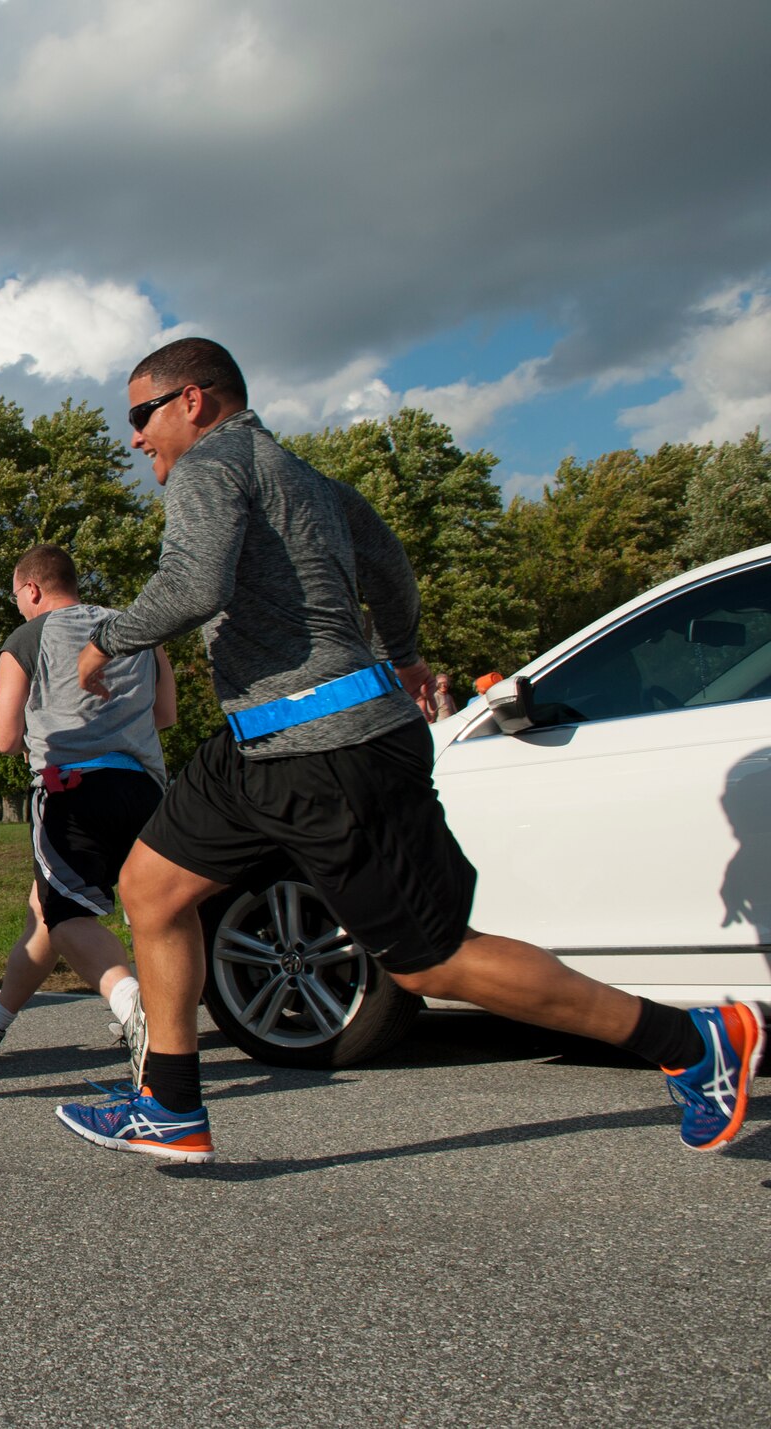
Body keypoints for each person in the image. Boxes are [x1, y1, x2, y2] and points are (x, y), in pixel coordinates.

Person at [57, 337, 761, 1162]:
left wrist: (106, 639)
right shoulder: (308, 480)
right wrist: (405, 649)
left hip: (329, 751)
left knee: (431, 959)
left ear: (195, 401)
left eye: (141, 415)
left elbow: (193, 586)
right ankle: (170, 1104)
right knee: (150, 887)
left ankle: (691, 1038)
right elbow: (386, 563)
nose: (136, 438)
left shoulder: (212, 466)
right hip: (258, 746)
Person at [0, 544, 176, 1077]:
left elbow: (4, 737)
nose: (17, 604)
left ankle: (136, 1010)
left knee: (66, 917)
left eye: (16, 594)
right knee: (45, 913)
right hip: (145, 790)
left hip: (72, 792)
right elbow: (166, 713)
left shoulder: (26, 639)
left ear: (33, 589)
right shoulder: (134, 628)